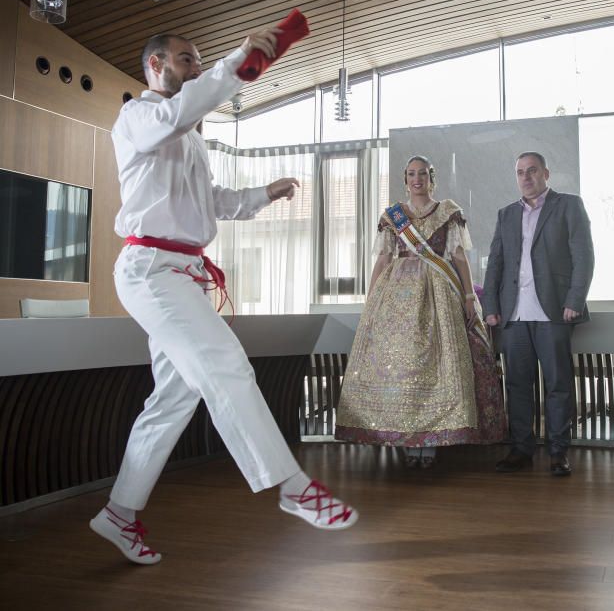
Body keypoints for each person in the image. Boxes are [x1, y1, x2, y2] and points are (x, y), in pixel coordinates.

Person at [90, 28, 357, 566]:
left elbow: (212, 201)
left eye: (199, 60)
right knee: (225, 363)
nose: (195, 65)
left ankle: (119, 513)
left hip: (181, 273)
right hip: (150, 269)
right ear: (156, 63)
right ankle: (289, 484)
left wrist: (265, 192)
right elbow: (179, 112)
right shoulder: (139, 117)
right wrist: (239, 62)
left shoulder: (188, 135)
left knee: (173, 400)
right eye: (187, 59)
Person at [334, 156, 506, 467]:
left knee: (436, 364)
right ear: (405, 179)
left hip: (439, 294)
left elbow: (458, 257)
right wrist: (370, 300)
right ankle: (408, 443)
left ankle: (432, 443)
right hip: (395, 299)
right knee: (401, 367)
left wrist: (469, 295)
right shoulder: (393, 217)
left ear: (431, 178)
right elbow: (383, 260)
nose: (417, 179)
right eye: (412, 174)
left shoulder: (447, 212)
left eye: (423, 174)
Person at [483, 152, 595, 477]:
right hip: (513, 316)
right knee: (517, 385)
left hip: (555, 310)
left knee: (558, 384)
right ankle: (521, 449)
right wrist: (491, 307)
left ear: (546, 172)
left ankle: (559, 452)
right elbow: (496, 264)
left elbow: (583, 256)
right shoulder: (506, 214)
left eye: (532, 171)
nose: (526, 177)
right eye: (520, 172)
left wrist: (575, 298)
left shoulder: (569, 206)